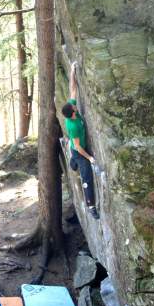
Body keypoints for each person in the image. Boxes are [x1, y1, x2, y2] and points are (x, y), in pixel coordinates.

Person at [61, 62, 99, 220]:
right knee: (87, 177)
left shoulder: (71, 111)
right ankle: (91, 206)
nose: (74, 104)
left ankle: (72, 162)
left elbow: (72, 90)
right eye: (73, 106)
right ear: (73, 112)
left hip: (74, 147)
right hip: (78, 151)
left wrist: (72, 71)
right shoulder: (74, 125)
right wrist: (89, 158)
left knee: (74, 151)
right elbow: (77, 145)